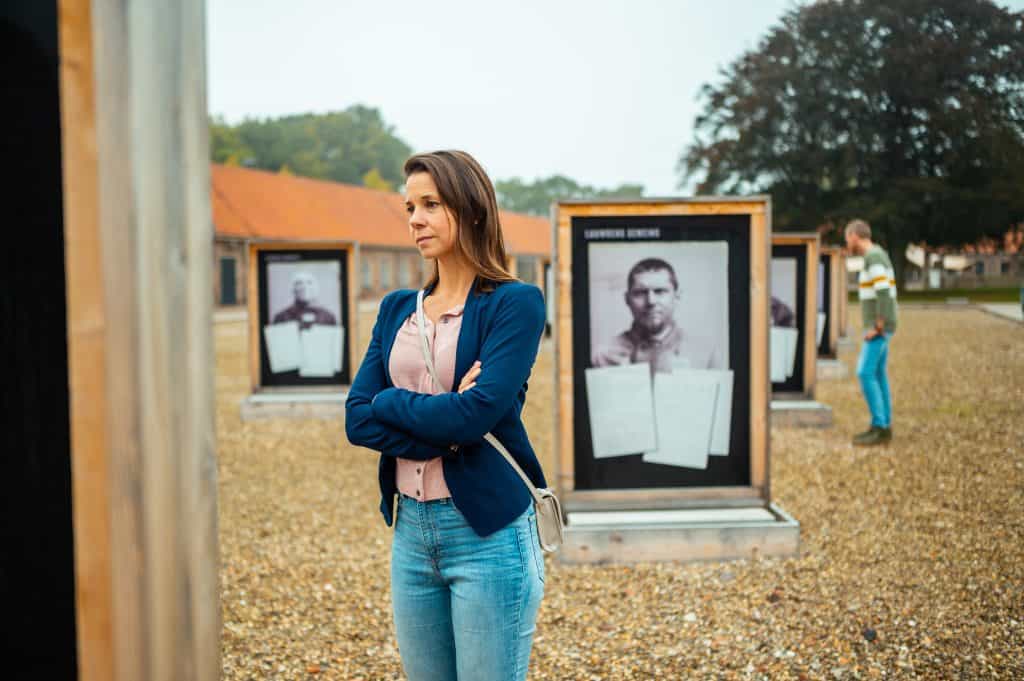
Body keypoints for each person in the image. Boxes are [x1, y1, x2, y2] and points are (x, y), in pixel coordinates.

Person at [344, 150, 547, 681]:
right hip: (410, 533)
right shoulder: (395, 309)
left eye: (431, 204)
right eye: (410, 206)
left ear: (472, 209)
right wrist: (445, 419)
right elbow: (356, 420)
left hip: (488, 534)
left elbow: (474, 416)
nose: (414, 219)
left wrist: (392, 403)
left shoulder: (515, 305)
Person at [591, 257, 723, 372]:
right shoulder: (602, 356)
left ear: (677, 297)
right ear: (627, 299)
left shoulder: (705, 355)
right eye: (640, 292)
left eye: (660, 291)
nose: (651, 301)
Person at [845, 219, 898, 446]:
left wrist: (878, 326)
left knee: (865, 373)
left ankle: (879, 426)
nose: (847, 243)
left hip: (879, 328)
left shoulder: (873, 257)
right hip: (884, 325)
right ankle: (884, 425)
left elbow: (884, 291)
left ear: (855, 236)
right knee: (878, 373)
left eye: (847, 238)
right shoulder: (878, 254)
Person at [272, 270, 337, 330]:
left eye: (309, 282)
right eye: (299, 283)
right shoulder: (281, 317)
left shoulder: (328, 317)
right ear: (292, 289)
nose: (304, 287)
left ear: (316, 289)